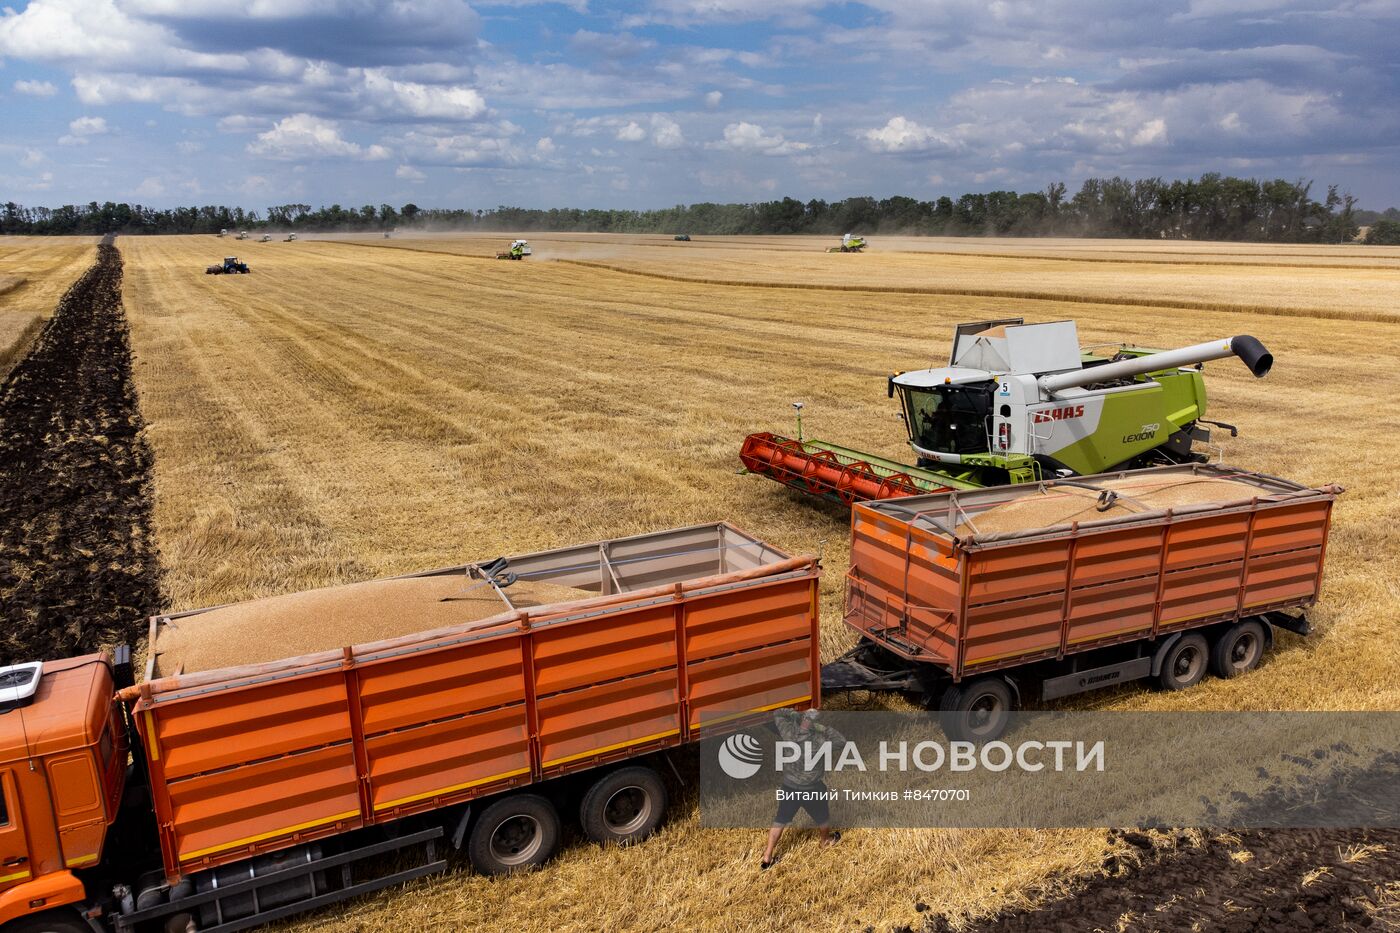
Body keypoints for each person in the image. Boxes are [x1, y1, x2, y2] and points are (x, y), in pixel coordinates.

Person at [760, 708, 845, 869]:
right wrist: (824, 729)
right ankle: (825, 841)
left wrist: (794, 714)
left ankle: (767, 856)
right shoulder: (820, 743)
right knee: (822, 816)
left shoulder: (788, 734)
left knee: (780, 821)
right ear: (815, 724)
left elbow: (777, 714)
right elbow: (842, 741)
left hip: (789, 787)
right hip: (812, 788)